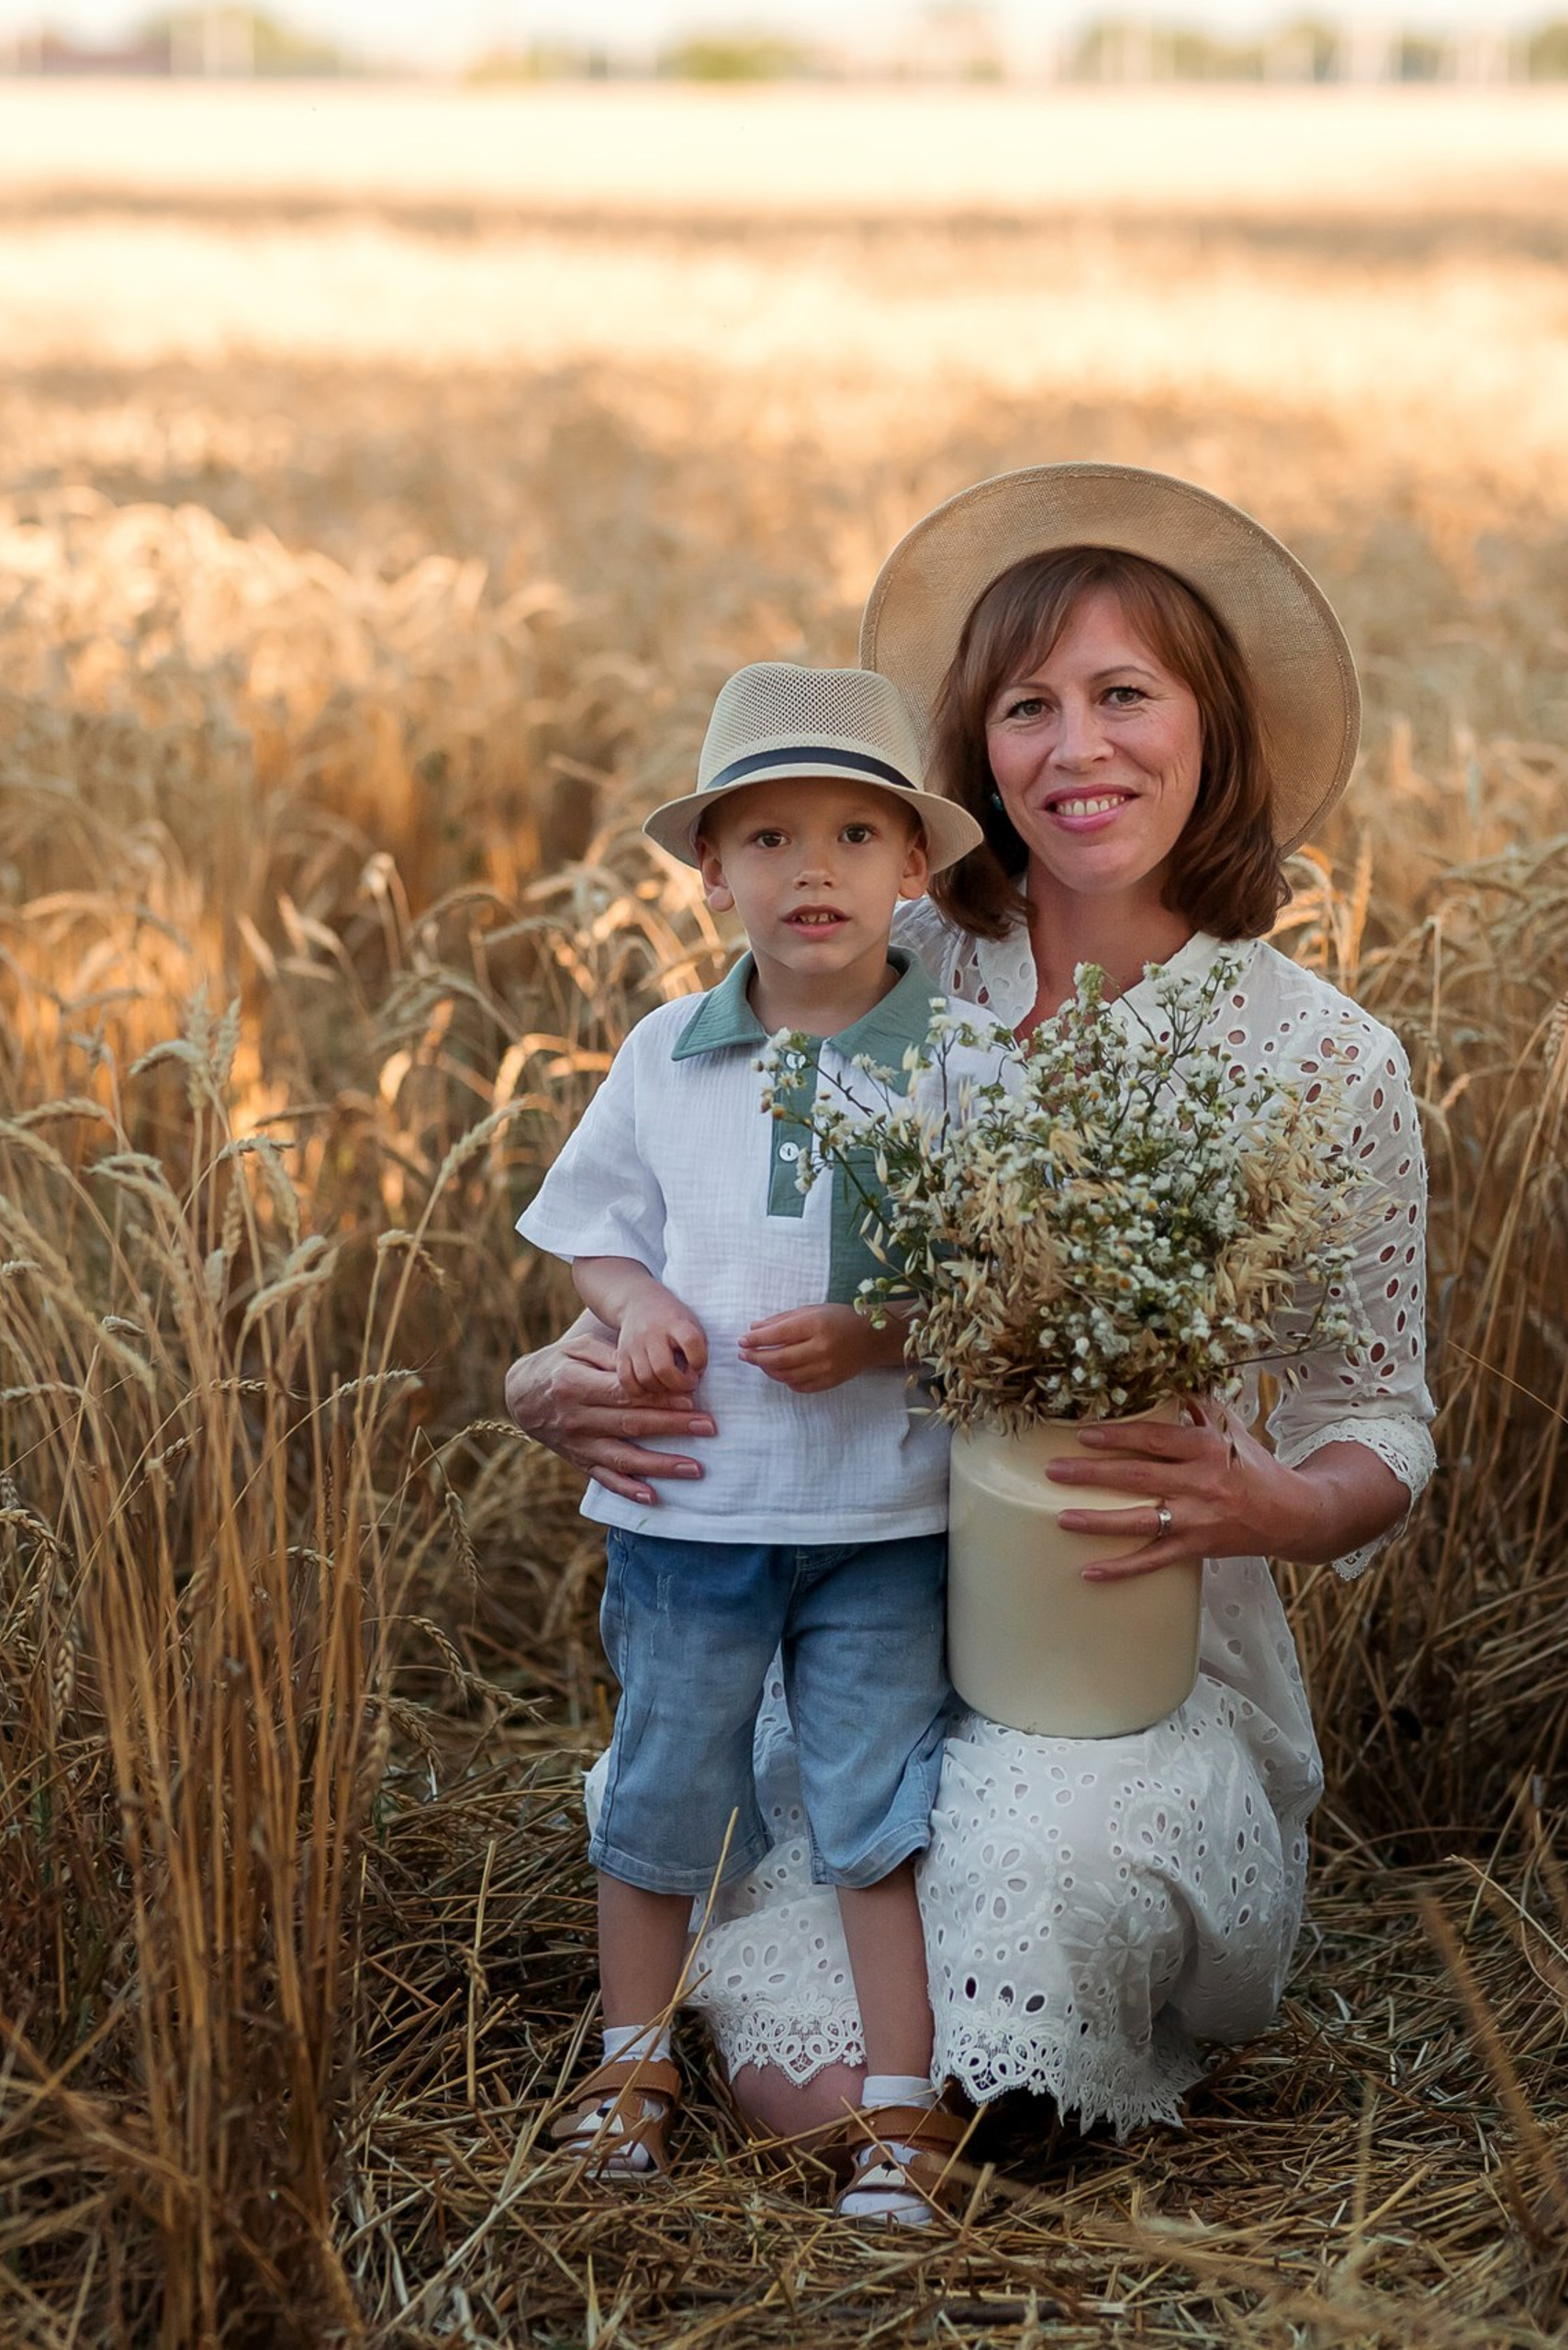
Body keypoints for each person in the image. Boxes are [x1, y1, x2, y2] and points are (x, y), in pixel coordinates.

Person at [510, 464, 1436, 2143]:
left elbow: (1385, 1422)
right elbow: (697, 1198)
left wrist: (1274, 1503)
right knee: (806, 2079)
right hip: (829, 1597)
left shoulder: (1325, 1062)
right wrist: (555, 1374)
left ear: (1211, 727)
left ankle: (1028, 2026)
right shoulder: (878, 939)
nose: (1079, 751)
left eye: (1124, 696)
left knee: (953, 2021)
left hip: (1109, 1652)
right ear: (972, 752)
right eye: (1029, 706)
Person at [514, 660, 991, 2221]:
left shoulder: (958, 1066)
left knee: (874, 1803)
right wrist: (635, 1300)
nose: (814, 872)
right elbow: (593, 1227)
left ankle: (903, 2111)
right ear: (711, 872)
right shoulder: (666, 1053)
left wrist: (882, 1330)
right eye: (770, 840)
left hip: (884, 1515)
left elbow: (1002, 1283)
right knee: (665, 1780)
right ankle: (630, 2063)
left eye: (857, 836)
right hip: (691, 1510)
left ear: (915, 871)